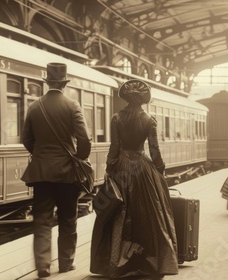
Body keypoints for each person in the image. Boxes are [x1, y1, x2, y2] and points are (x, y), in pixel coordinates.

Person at [90, 79, 179, 278]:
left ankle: (118, 263)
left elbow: (114, 147)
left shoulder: (116, 118)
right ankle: (148, 261)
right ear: (143, 100)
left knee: (118, 211)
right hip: (143, 169)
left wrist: (109, 167)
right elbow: (154, 149)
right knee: (150, 213)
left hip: (121, 167)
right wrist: (160, 170)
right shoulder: (149, 120)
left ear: (126, 98)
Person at [21, 63, 92, 278]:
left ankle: (42, 266)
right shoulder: (73, 106)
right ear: (63, 83)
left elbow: (26, 139)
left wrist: (41, 155)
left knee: (42, 219)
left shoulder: (34, 107)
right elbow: (84, 139)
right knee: (68, 218)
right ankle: (66, 263)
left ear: (48, 82)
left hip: (42, 173)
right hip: (66, 173)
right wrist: (78, 158)